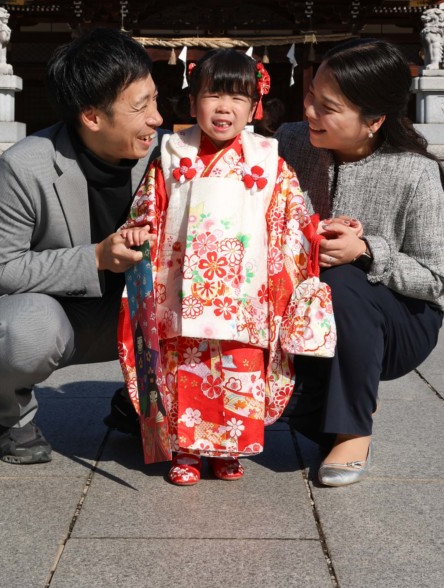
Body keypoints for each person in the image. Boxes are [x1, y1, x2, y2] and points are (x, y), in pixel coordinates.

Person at [118, 49, 335, 485]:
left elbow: (291, 214)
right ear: (193, 100)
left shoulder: (269, 158)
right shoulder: (171, 155)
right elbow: (149, 209)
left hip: (245, 288)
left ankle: (228, 448)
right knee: (186, 367)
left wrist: (317, 232)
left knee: (239, 366)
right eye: (213, 94)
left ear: (255, 105)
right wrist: (140, 229)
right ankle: (187, 450)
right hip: (180, 285)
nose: (224, 107)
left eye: (238, 97)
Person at [0, 28, 163, 464]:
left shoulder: (167, 157)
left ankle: (141, 400)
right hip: (59, 315)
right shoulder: (21, 168)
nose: (157, 119)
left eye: (155, 100)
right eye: (141, 107)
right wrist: (97, 258)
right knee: (22, 332)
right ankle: (13, 416)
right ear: (92, 117)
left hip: (139, 312)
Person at [276, 38, 444, 486]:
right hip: (303, 312)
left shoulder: (414, 172)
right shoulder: (289, 143)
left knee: (343, 280)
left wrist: (367, 250)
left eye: (328, 107)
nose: (311, 111)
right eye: (311, 95)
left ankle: (353, 429)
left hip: (398, 323)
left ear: (373, 120)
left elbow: (434, 278)